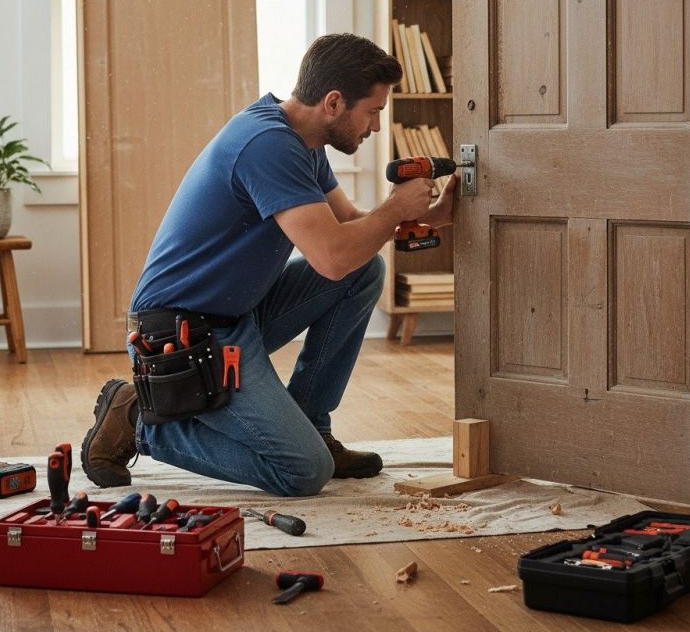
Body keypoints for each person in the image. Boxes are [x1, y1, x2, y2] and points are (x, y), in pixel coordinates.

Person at [80, 33, 458, 497]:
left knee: (366, 271)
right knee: (302, 472)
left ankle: (311, 426)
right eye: (373, 112)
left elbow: (354, 229)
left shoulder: (305, 141)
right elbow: (333, 258)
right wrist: (395, 210)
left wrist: (427, 215)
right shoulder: (269, 146)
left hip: (236, 316)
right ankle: (142, 421)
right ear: (335, 102)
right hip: (178, 336)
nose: (376, 126)